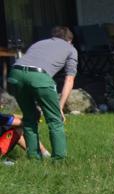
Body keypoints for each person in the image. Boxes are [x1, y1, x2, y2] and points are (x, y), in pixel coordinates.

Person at [5, 26, 78, 160]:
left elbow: (28, 70)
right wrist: (60, 107)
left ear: (53, 37)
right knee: (55, 120)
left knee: (29, 118)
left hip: (15, 74)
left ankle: (34, 158)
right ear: (69, 40)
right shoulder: (70, 49)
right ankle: (59, 160)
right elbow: (69, 79)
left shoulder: (39, 43)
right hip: (39, 76)